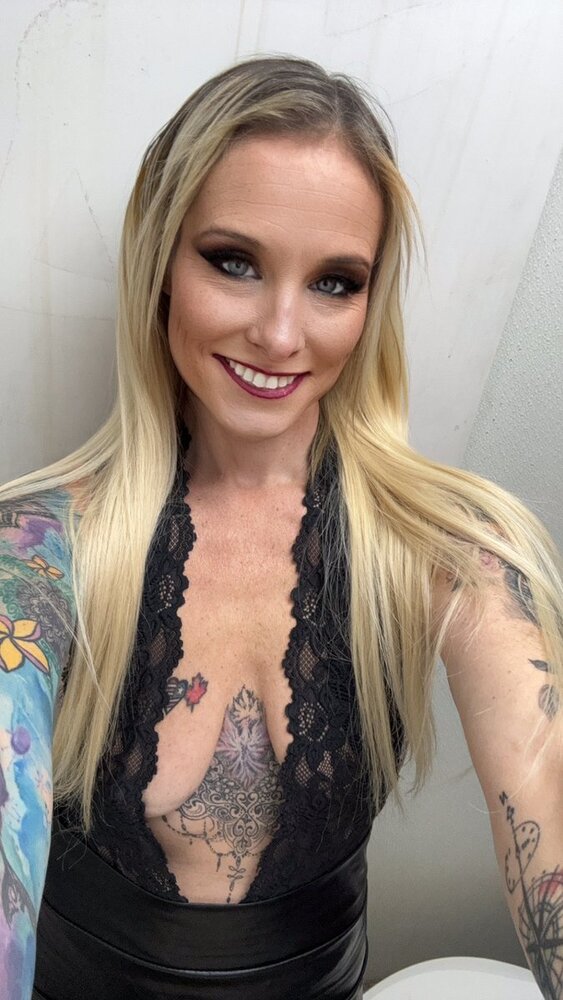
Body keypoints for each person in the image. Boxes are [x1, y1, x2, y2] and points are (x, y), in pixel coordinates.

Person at [0, 54, 561, 1000]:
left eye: (335, 282)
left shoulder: (446, 549)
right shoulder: (34, 552)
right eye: (234, 262)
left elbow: (545, 789)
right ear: (160, 265)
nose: (281, 333)